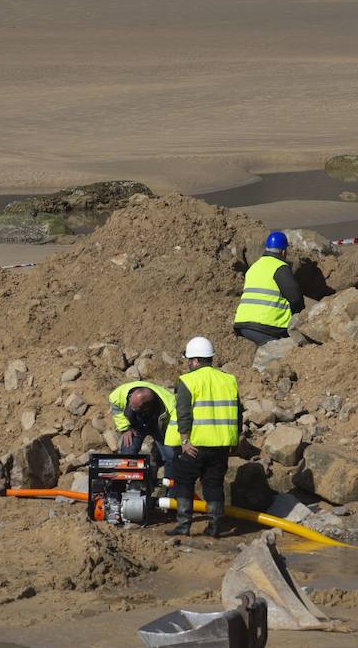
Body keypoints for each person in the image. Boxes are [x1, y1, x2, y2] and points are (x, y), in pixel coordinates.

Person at [164, 336, 241, 538]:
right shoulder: (229, 380)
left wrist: (184, 441)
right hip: (221, 446)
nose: (188, 364)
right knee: (214, 484)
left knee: (184, 482)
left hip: (195, 446)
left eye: (189, 360)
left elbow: (184, 413)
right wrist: (234, 440)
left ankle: (183, 526)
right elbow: (237, 413)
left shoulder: (188, 381)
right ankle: (215, 527)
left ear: (196, 360)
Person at [232, 230, 304, 345]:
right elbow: (295, 298)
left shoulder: (254, 267)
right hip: (267, 326)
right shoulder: (280, 267)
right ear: (284, 251)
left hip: (243, 323)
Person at [107, 380, 177, 472]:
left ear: (146, 406)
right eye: (131, 405)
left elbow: (176, 423)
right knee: (127, 453)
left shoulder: (169, 402)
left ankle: (170, 478)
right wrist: (125, 428)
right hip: (136, 426)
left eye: (135, 408)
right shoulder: (119, 394)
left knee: (170, 455)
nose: (132, 408)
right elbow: (116, 407)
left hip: (159, 425)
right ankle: (126, 479)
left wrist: (175, 441)